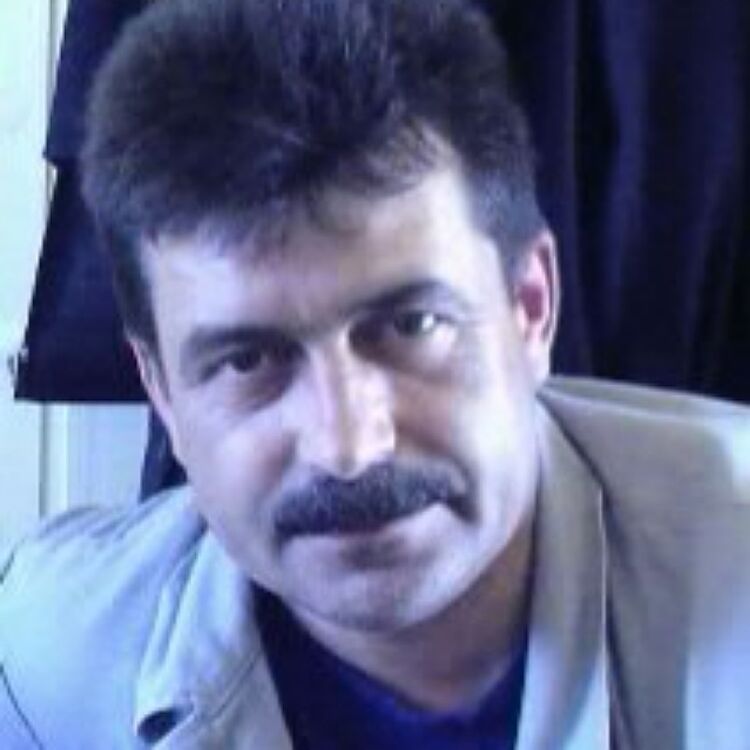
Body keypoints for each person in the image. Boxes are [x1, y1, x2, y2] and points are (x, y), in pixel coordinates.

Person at [1, 0, 749, 747]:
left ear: (531, 307)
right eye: (247, 361)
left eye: (412, 326)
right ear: (162, 391)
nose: (348, 448)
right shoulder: (50, 659)